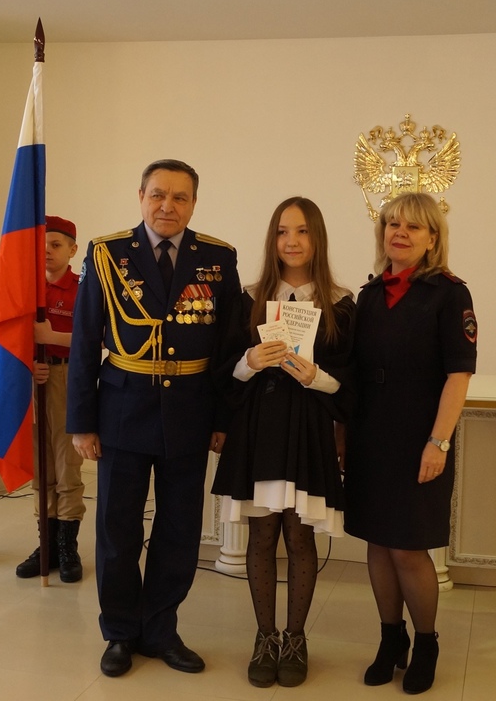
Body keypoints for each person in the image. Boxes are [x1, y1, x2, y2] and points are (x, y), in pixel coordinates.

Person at [67, 159, 241, 678]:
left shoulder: (218, 258)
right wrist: (82, 422)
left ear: (194, 203)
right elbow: (84, 341)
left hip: (190, 411)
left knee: (179, 530)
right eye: (158, 195)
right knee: (117, 529)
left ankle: (161, 629)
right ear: (141, 196)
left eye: (180, 197)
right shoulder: (106, 254)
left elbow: (228, 346)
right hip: (122, 410)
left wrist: (223, 417)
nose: (168, 206)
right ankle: (120, 632)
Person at [210, 197, 355, 688]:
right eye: (282, 231)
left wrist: (317, 377)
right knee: (262, 535)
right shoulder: (248, 297)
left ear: (318, 238)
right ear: (272, 239)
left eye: (302, 231)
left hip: (308, 430)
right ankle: (264, 636)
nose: (291, 241)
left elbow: (351, 383)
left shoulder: (340, 302)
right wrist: (248, 362)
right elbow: (222, 372)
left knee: (299, 536)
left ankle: (295, 639)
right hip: (258, 429)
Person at [345, 192, 476, 695]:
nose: (399, 233)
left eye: (413, 226)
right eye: (392, 223)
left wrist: (438, 443)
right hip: (370, 433)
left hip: (421, 435)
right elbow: (353, 373)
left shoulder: (449, 294)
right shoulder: (369, 295)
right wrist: (342, 437)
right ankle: (390, 639)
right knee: (378, 542)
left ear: (433, 238)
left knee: (408, 548)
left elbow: (458, 375)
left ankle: (426, 643)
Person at [16, 216, 87, 583]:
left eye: (56, 245)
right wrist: (30, 362)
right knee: (41, 465)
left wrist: (52, 338)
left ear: (72, 250)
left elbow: (96, 338)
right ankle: (46, 544)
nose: (47, 252)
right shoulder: (26, 289)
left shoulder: (83, 289)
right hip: (32, 379)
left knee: (65, 465)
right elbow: (10, 335)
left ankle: (67, 546)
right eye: (42, 245)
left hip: (66, 378)